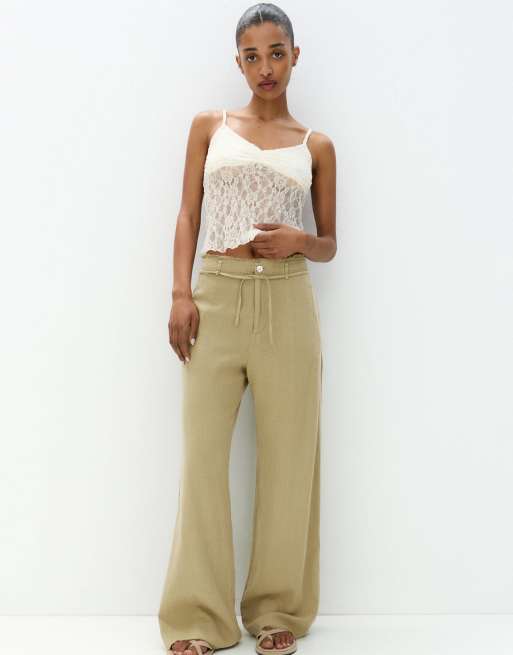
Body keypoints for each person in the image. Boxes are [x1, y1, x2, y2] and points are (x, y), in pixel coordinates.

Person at [158, 3, 337, 654]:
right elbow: (188, 214)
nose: (266, 67)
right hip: (215, 295)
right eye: (253, 56)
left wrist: (300, 240)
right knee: (203, 458)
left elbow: (329, 244)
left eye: (277, 53)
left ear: (295, 56)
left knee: (289, 458)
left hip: (287, 300)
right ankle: (199, 617)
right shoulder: (210, 127)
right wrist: (181, 293)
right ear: (238, 62)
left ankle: (276, 608)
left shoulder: (316, 144)